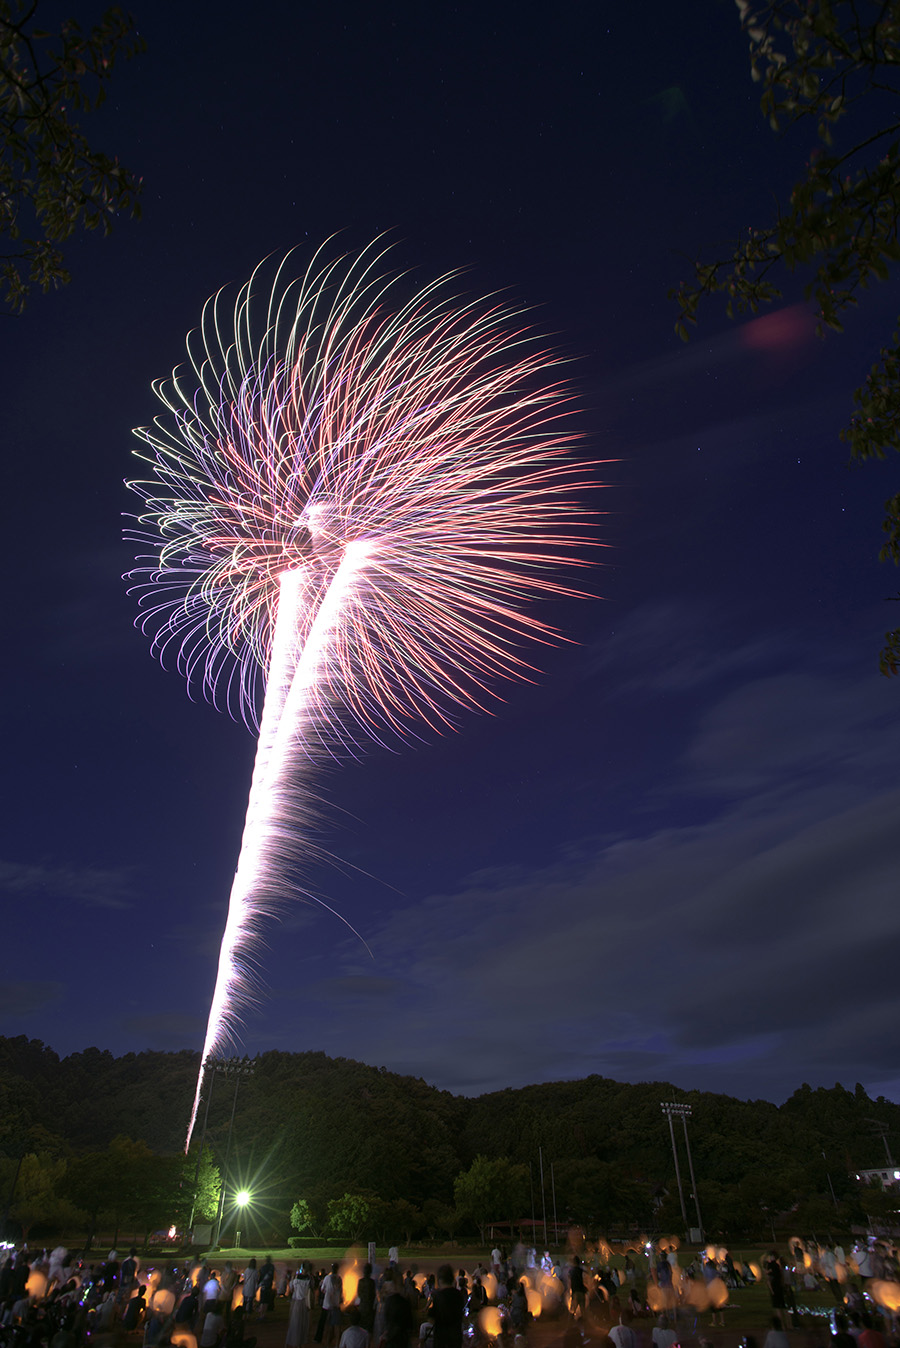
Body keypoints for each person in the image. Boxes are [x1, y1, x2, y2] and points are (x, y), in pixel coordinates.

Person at [429, 1265, 464, 1348]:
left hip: (442, 1338)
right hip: (455, 1337)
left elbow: (431, 1317)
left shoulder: (438, 1296)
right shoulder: (458, 1295)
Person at [383, 1274, 414, 1348]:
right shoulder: (405, 1303)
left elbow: (386, 1320)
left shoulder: (388, 1301)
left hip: (391, 1340)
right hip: (402, 1340)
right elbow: (410, 1325)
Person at [287, 1266, 312, 1348]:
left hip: (297, 1303)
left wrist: (293, 1278)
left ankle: (295, 1341)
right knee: (303, 1323)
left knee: (295, 1322)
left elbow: (291, 1289)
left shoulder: (296, 1281)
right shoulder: (308, 1281)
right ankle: (300, 1342)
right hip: (304, 1303)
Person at [357, 1265, 376, 1335]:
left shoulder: (362, 1281)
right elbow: (373, 1294)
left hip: (364, 1306)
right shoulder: (371, 1282)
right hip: (368, 1306)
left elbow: (359, 1293)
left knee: (363, 1325)